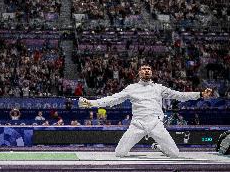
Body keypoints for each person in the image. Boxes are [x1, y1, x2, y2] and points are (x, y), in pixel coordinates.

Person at [79, 64, 213, 158]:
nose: (146, 71)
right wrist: (91, 103)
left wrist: (200, 94)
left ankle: (159, 147)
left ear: (152, 72)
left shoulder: (159, 88)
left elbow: (180, 95)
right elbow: (113, 99)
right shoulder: (131, 88)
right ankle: (159, 145)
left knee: (174, 154)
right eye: (143, 69)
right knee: (119, 153)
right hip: (137, 124)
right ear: (139, 73)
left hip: (156, 124)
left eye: (149, 69)